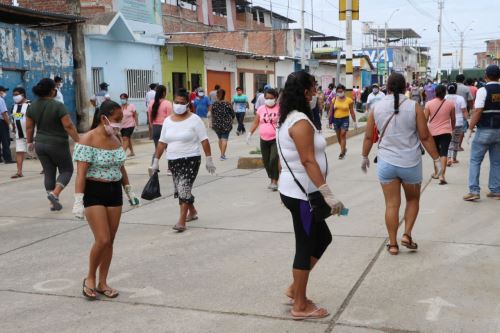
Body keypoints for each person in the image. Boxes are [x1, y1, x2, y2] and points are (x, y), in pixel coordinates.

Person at [277, 70, 344, 320]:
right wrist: (328, 194)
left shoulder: (291, 119)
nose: (317, 92)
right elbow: (307, 160)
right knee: (305, 245)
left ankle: (295, 288)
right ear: (306, 92)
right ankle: (300, 305)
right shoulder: (299, 122)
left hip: (299, 192)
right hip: (303, 194)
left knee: (322, 237)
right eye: (314, 87)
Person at [361, 73, 441, 255]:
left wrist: (365, 156)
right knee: (412, 200)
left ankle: (393, 244)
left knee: (391, 205)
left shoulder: (376, 107)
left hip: (386, 163)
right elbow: (425, 136)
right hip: (410, 162)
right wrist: (436, 159)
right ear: (406, 87)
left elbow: (368, 136)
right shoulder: (415, 107)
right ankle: (406, 234)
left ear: (386, 87)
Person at [72, 100, 140, 300]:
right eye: (118, 119)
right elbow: (80, 174)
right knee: (102, 239)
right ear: (104, 118)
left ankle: (103, 282)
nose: (120, 123)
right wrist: (78, 200)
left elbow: (121, 166)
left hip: (114, 192)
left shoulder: (116, 138)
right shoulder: (87, 140)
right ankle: (90, 278)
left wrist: (129, 191)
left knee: (110, 240)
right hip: (94, 191)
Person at [150, 88, 216, 232]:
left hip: (191, 159)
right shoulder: (167, 121)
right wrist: (155, 160)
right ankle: (192, 212)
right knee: (180, 189)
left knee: (184, 188)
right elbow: (162, 142)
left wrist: (209, 159)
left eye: (182, 102)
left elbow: (204, 140)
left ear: (187, 104)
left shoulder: (195, 119)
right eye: (176, 102)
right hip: (173, 160)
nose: (178, 105)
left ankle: (181, 221)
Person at [26, 78, 80, 211]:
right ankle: (54, 194)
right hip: (57, 143)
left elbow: (29, 127)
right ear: (52, 91)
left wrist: (29, 142)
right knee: (67, 170)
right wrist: (79, 140)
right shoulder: (58, 106)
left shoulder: (32, 106)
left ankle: (51, 203)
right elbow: (68, 125)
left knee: (49, 173)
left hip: (40, 144)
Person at [463, 65, 500, 201]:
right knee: (497, 162)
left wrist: (469, 129)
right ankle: (496, 190)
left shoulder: (483, 90)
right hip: (499, 131)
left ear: (486, 76)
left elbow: (478, 111)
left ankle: (474, 191)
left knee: (475, 160)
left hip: (485, 130)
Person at [247, 88, 280, 190]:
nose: (268, 100)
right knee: (266, 161)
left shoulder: (280, 108)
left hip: (275, 138)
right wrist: (249, 133)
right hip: (263, 138)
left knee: (273, 159)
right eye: (266, 98)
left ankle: (275, 181)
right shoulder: (261, 109)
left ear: (275, 98)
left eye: (271, 98)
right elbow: (256, 122)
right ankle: (272, 179)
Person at [424, 84, 456, 185]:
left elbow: (425, 119)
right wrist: (452, 128)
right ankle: (442, 175)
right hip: (446, 131)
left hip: (432, 132)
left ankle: (437, 173)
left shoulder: (429, 104)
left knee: (435, 153)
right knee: (444, 152)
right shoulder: (450, 104)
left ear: (435, 92)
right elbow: (453, 118)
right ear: (445, 92)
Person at [328, 85, 357, 159]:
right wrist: (329, 122)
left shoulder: (349, 100)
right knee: (338, 136)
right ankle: (344, 148)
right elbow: (331, 111)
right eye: (338, 92)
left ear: (344, 91)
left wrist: (355, 122)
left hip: (345, 119)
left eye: (341, 91)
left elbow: (352, 111)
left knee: (343, 134)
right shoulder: (334, 99)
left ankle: (341, 152)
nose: (340, 93)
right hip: (335, 119)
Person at [10, 87, 31, 178]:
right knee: (19, 151)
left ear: (22, 95)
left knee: (38, 151)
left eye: (16, 94)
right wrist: (14, 127)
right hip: (19, 134)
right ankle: (19, 172)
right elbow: (14, 119)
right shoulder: (13, 106)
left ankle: (47, 168)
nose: (15, 97)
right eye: (13, 95)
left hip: (31, 134)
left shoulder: (30, 105)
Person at [445, 84, 468, 166]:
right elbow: (464, 111)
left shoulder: (445, 98)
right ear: (456, 89)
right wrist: (467, 120)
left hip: (448, 122)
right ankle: (454, 158)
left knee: (449, 141)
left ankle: (448, 158)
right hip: (459, 122)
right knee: (456, 141)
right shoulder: (460, 98)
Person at [211, 88, 234, 160]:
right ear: (224, 95)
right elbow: (233, 114)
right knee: (224, 139)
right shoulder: (227, 104)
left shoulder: (214, 104)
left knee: (220, 139)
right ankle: (222, 155)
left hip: (216, 124)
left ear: (217, 95)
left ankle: (222, 154)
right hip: (226, 125)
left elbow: (212, 113)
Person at [147, 85, 171, 149]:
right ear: (164, 93)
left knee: (157, 150)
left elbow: (150, 117)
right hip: (165, 128)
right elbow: (170, 118)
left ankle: (155, 159)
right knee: (169, 150)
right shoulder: (167, 103)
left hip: (155, 128)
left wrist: (152, 126)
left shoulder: (151, 103)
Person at [0, 85, 14, 164]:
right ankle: (8, 159)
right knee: (5, 141)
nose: (5, 93)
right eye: (4, 91)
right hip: (1, 122)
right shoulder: (1, 100)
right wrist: (9, 124)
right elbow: (4, 113)